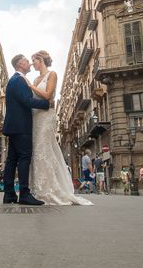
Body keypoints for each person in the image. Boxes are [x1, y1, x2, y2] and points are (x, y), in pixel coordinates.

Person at [25, 51, 93, 206]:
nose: (32, 64)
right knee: (37, 152)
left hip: (46, 116)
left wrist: (30, 86)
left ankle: (48, 190)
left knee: (44, 150)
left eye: (34, 60)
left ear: (40, 60)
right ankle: (38, 189)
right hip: (35, 117)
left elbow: (48, 95)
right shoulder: (36, 78)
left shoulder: (52, 74)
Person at [1, 54, 51, 206]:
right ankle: (24, 194)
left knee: (12, 160)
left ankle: (9, 195)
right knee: (24, 158)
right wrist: (47, 104)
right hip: (21, 126)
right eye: (27, 61)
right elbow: (27, 101)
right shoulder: (18, 80)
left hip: (14, 126)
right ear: (20, 64)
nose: (29, 64)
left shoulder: (16, 80)